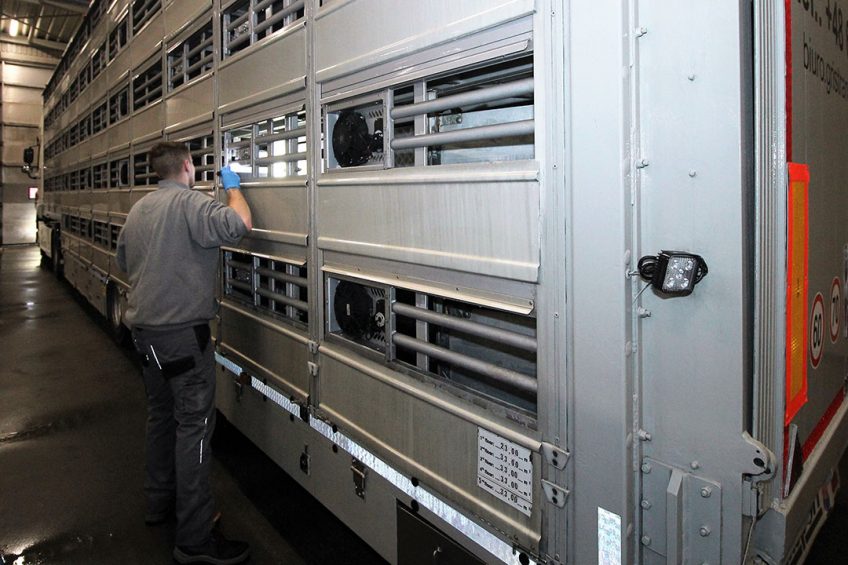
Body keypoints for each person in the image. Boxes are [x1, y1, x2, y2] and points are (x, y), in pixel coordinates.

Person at [116, 142, 252, 565]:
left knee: (161, 417)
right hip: (182, 342)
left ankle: (158, 503)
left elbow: (124, 263)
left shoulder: (138, 211)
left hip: (145, 340)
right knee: (193, 431)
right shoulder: (192, 205)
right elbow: (241, 224)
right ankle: (195, 539)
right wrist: (233, 188)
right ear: (189, 167)